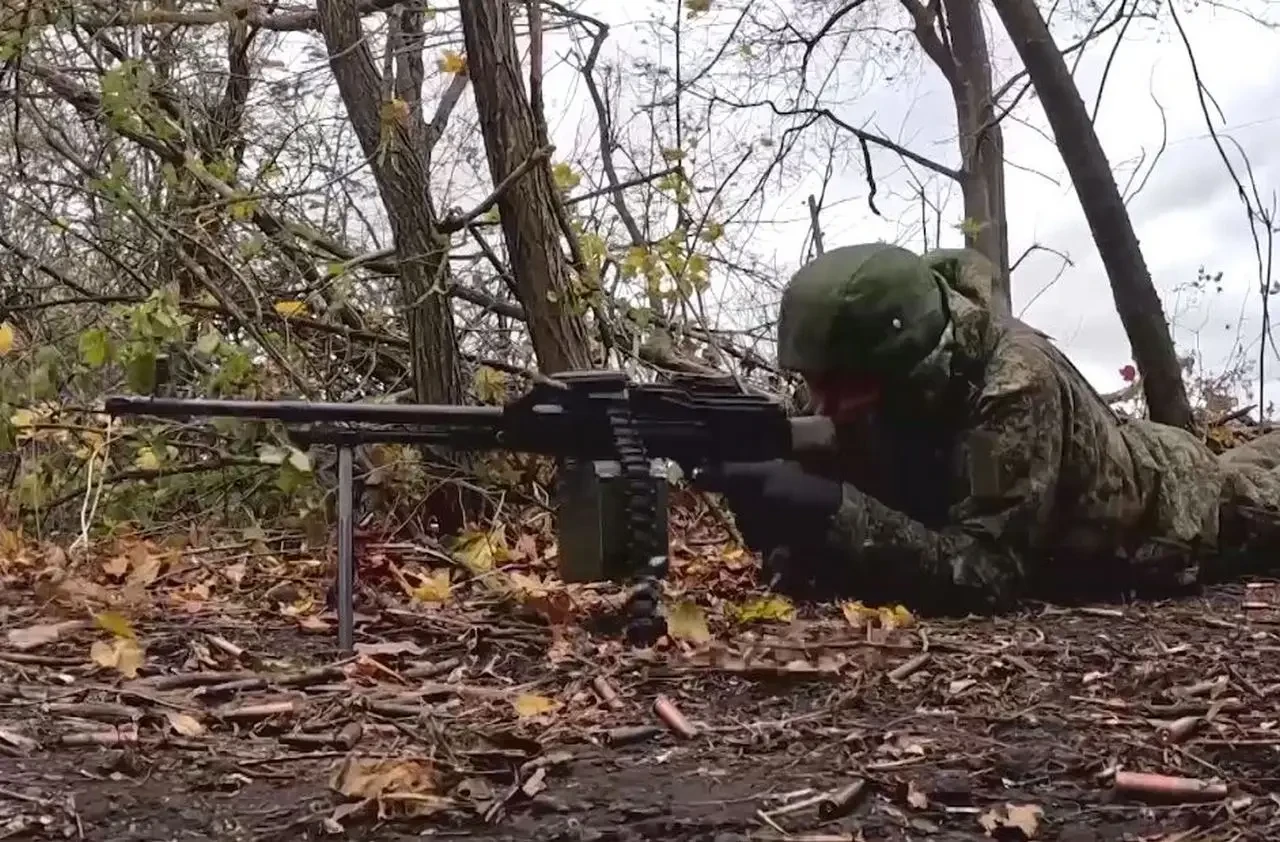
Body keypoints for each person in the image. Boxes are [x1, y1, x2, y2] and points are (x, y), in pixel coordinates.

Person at [695, 242, 1280, 613]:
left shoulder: (1013, 383)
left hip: (1179, 504)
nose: (822, 407)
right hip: (1122, 465)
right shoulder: (864, 376)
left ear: (910, 362)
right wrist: (783, 517)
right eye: (812, 382)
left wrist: (833, 509)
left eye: (844, 386)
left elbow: (989, 573)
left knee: (1258, 486)